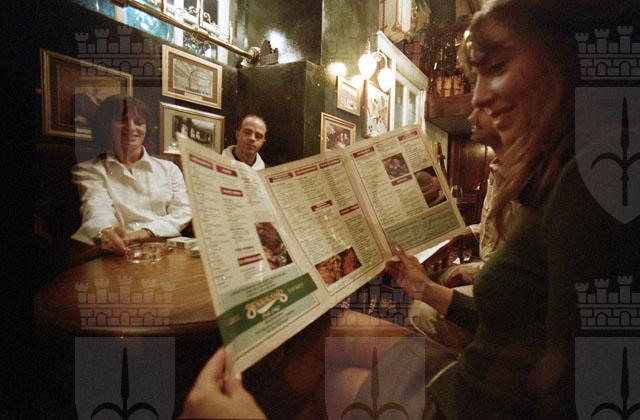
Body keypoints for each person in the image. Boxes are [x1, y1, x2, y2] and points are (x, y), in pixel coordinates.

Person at [182, 0, 640, 418]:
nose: (479, 99)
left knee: (337, 374)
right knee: (336, 331)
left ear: (573, 54)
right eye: (476, 77)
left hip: (467, 402)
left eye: (498, 67)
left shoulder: (595, 184)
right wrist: (428, 290)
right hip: (473, 374)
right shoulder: (562, 177)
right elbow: (517, 323)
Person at [408, 107, 518, 348]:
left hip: (507, 288)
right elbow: (494, 229)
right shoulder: (497, 169)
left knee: (421, 312)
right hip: (493, 270)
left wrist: (469, 273)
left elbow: (519, 268)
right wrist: (462, 232)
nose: (471, 117)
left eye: (484, 108)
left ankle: (455, 366)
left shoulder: (523, 176)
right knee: (432, 278)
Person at [71, 95, 192, 255]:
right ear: (106, 125)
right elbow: (96, 209)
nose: (131, 127)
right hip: (117, 253)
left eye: (139, 122)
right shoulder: (88, 170)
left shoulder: (169, 169)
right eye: (122, 120)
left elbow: (183, 211)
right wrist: (107, 233)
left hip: (166, 250)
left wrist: (144, 233)